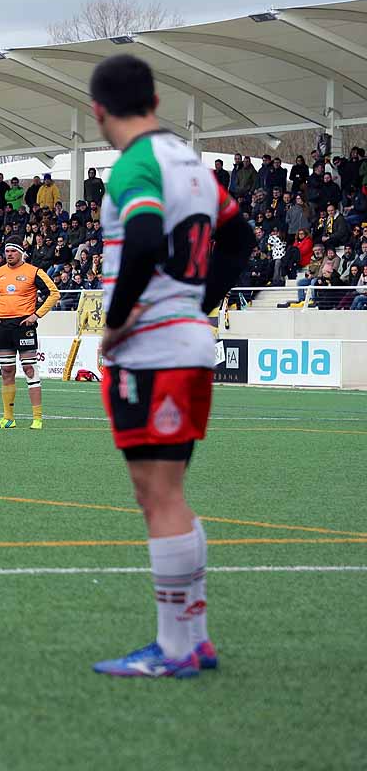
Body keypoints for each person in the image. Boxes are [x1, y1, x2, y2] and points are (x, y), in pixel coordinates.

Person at [88, 55, 253, 677]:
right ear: (155, 97)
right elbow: (239, 239)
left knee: (160, 497)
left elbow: (148, 235)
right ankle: (194, 638)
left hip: (152, 350)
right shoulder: (190, 162)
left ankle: (176, 648)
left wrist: (120, 319)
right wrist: (202, 300)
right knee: (162, 493)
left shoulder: (136, 164)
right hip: (186, 341)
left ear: (99, 110)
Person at [0, 243, 60, 430]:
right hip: (3, 326)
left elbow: (54, 293)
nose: (9, 254)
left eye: (13, 251)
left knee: (30, 369)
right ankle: (8, 418)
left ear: (22, 253)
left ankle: (37, 418)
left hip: (24, 325)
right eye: (7, 251)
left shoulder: (34, 271)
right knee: (6, 371)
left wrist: (36, 315)